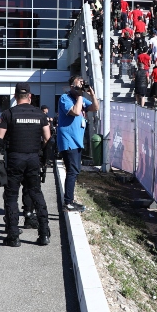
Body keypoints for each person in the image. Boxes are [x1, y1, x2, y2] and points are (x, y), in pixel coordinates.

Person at [0, 82, 52, 247]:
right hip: (33, 159)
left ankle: (13, 237)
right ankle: (44, 234)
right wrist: (44, 160)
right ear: (30, 96)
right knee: (36, 194)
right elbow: (48, 140)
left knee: (11, 197)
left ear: (15, 97)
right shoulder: (40, 115)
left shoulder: (9, 114)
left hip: (14, 159)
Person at [57, 75, 98, 213]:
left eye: (82, 84)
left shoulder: (80, 99)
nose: (81, 86)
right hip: (68, 140)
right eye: (78, 84)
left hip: (77, 141)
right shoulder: (65, 98)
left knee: (75, 171)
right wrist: (80, 94)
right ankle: (68, 202)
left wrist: (92, 94)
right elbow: (75, 111)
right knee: (72, 171)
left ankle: (70, 200)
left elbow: (95, 108)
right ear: (71, 87)